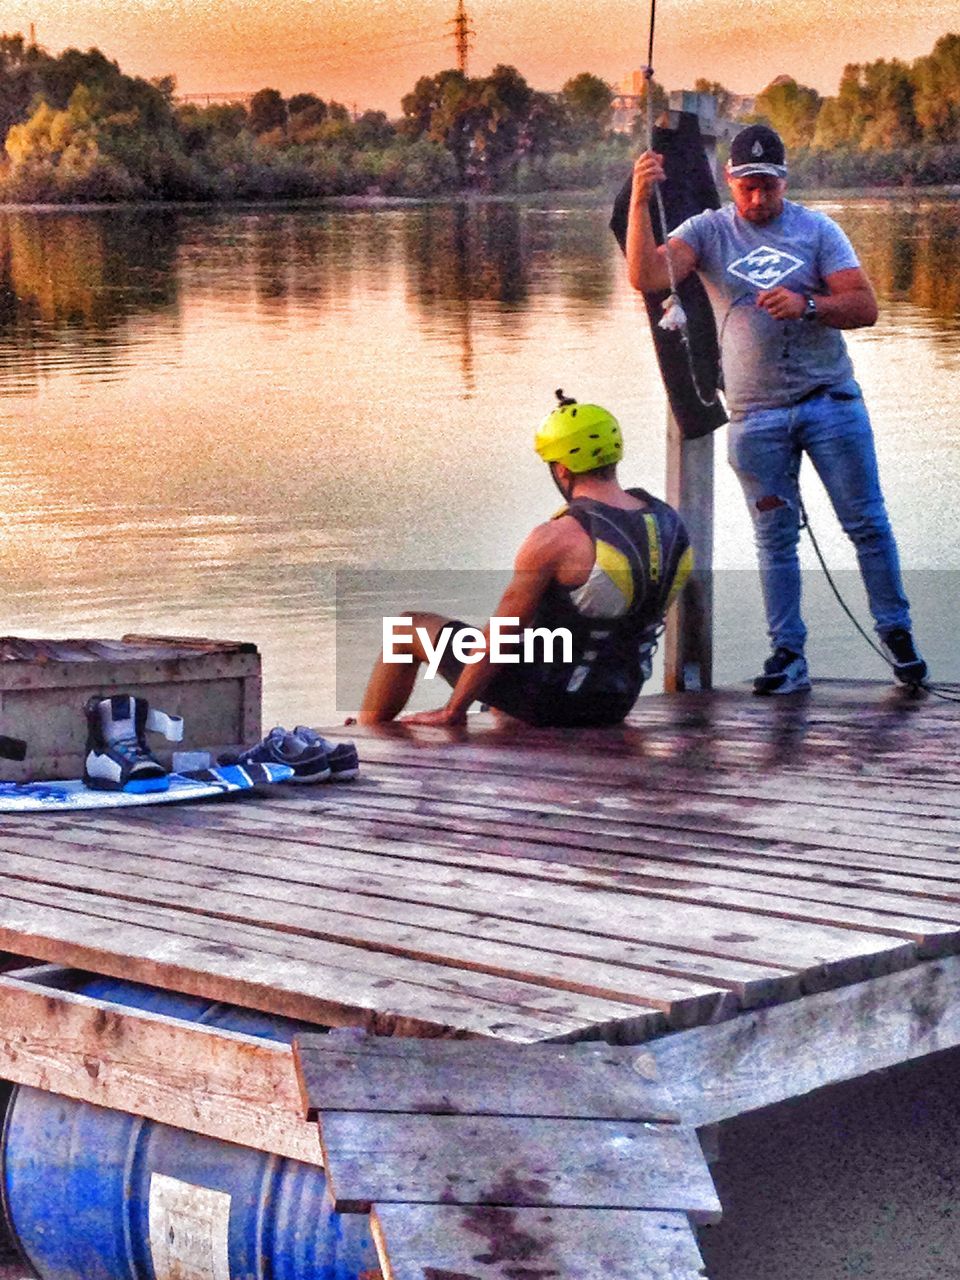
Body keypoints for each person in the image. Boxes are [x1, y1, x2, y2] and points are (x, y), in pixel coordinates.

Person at [626, 123, 926, 694]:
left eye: (768, 186)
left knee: (866, 523)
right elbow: (645, 275)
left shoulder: (817, 231)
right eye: (747, 187)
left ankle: (898, 637)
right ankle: (788, 655)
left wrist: (808, 303)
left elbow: (865, 308)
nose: (758, 198)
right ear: (729, 181)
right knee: (774, 538)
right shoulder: (708, 231)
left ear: (784, 181)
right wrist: (641, 198)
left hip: (830, 403)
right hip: (755, 417)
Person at [358, 395, 693, 727]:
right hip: (616, 701)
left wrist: (453, 711)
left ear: (561, 469)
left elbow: (498, 637)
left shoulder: (556, 537)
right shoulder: (669, 524)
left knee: (405, 629)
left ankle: (366, 734)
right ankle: (501, 710)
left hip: (551, 700)